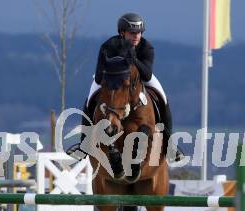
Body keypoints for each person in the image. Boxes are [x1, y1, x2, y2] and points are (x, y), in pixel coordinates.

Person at [68, 12, 182, 161]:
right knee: (90, 100)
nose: (136, 36)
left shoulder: (146, 48)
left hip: (140, 79)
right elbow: (99, 74)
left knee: (163, 99)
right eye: (132, 32)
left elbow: (147, 75)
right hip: (111, 79)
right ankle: (84, 144)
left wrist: (133, 59)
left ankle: (169, 144)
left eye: (139, 33)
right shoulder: (109, 46)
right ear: (122, 32)